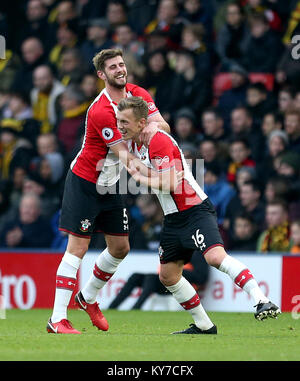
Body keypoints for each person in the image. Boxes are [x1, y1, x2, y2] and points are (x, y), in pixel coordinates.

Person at [117, 96, 280, 334]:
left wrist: (140, 178)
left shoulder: (158, 141)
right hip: (173, 219)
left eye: (124, 122)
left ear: (142, 123)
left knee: (215, 257)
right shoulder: (139, 142)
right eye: (118, 121)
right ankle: (204, 325)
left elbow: (171, 182)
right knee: (168, 275)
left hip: (194, 211)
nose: (120, 126)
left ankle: (261, 299)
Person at [47, 48, 170, 334]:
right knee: (77, 248)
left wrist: (150, 129)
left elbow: (162, 125)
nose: (120, 69)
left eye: (121, 64)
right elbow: (127, 159)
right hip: (86, 182)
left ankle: (87, 297)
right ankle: (56, 319)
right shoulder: (102, 110)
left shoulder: (138, 94)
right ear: (102, 74)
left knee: (120, 248)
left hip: (111, 183)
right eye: (113, 67)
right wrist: (162, 178)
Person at [109, 252, 209, 310]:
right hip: (167, 280)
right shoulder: (177, 249)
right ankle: (112, 308)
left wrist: (177, 272)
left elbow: (201, 278)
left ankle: (136, 308)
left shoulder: (196, 253)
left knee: (151, 278)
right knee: (135, 277)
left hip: (181, 286)